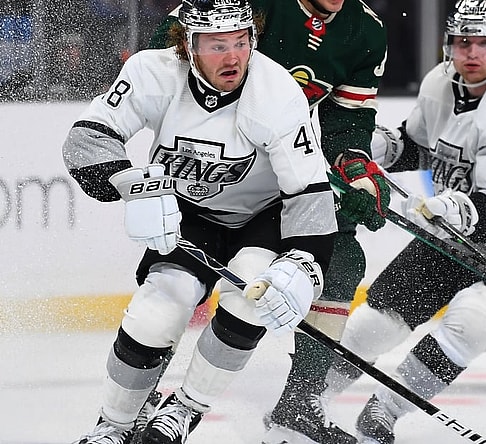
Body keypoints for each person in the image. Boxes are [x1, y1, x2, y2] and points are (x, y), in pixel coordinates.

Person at [63, 0, 337, 443]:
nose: (233, 57)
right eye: (216, 44)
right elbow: (87, 138)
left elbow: (309, 192)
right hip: (190, 215)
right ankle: (112, 426)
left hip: (261, 218)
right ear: (187, 45)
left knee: (249, 297)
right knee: (156, 314)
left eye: (241, 42)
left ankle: (184, 409)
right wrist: (131, 184)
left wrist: (305, 264)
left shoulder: (278, 94)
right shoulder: (152, 73)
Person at [314, 1, 486, 442]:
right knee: (375, 323)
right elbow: (419, 145)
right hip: (458, 232)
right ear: (448, 44)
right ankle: (308, 399)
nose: (472, 52)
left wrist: (456, 210)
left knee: (473, 321)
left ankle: (386, 408)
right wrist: (370, 149)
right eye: (463, 41)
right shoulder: (440, 82)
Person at [149, 1, 389, 442]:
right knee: (176, 283)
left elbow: (346, 121)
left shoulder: (366, 30)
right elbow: (166, 51)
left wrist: (353, 165)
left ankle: (299, 403)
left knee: (340, 255)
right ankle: (144, 392)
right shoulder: (248, 5)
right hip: (210, 158)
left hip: (282, 161)